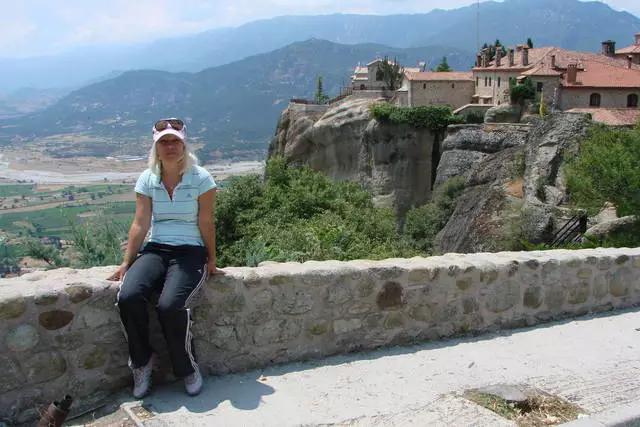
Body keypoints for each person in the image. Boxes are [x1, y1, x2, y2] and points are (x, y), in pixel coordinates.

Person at [107, 118, 223, 398]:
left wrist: (211, 259)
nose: (170, 147)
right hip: (156, 248)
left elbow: (206, 222)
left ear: (184, 145)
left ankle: (187, 368)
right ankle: (142, 362)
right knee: (129, 296)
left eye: (175, 141)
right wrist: (126, 261)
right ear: (156, 148)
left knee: (170, 306)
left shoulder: (202, 178)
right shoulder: (148, 179)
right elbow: (140, 223)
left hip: (190, 250)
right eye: (164, 142)